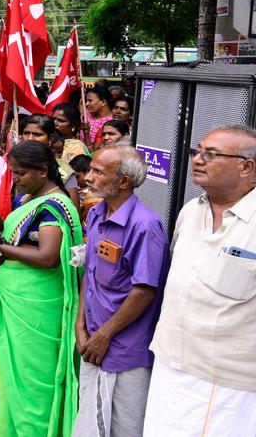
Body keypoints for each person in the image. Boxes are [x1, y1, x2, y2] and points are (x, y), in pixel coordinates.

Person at [144, 126, 256, 435]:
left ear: (246, 167)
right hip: (170, 365)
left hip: (229, 384)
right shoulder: (191, 211)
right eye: (198, 151)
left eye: (211, 154)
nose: (197, 160)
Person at [0, 140, 84, 437]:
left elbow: (47, 257)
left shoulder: (54, 206)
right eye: (13, 172)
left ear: (43, 171)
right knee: (16, 382)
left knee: (34, 384)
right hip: (21, 301)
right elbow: (25, 239)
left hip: (37, 308)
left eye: (21, 173)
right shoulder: (30, 199)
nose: (16, 179)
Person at [73, 146, 168, 437]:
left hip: (125, 351)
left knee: (124, 428)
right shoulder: (96, 213)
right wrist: (80, 323)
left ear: (123, 182)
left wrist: (104, 335)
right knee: (90, 423)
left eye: (98, 172)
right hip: (93, 342)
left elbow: (144, 291)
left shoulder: (146, 225)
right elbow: (91, 272)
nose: (88, 177)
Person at [19, 114, 82, 211]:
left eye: (37, 134)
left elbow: (73, 212)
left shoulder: (64, 170)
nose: (30, 138)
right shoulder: (12, 165)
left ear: (50, 139)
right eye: (26, 133)